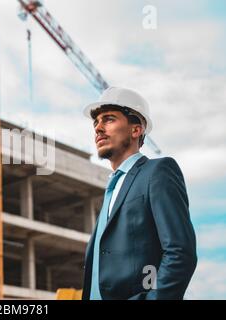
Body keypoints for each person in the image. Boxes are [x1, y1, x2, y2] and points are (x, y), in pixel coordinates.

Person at [81, 87, 197, 300]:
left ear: (136, 130)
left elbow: (180, 252)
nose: (98, 128)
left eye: (108, 119)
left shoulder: (158, 172)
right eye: (95, 122)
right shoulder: (111, 190)